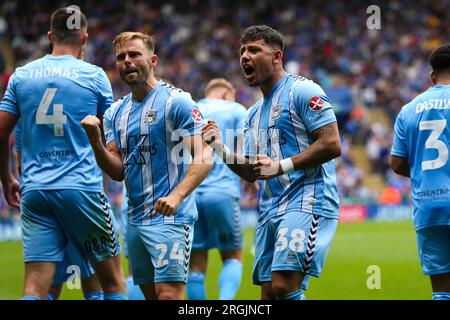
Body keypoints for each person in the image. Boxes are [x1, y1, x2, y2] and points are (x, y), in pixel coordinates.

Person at [202, 25, 341, 300]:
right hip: (269, 208)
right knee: (268, 295)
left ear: (276, 56)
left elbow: (331, 143)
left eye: (254, 50)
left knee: (284, 286)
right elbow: (251, 173)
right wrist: (218, 147)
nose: (245, 56)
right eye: (242, 51)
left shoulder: (302, 90)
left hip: (306, 198)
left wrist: (281, 166)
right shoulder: (252, 114)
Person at [0, 7, 126, 300]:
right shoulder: (95, 76)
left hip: (36, 191)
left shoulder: (21, 75)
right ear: (84, 38)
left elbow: (2, 131)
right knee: (113, 282)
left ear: (49, 36)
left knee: (35, 286)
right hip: (81, 189)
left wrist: (7, 178)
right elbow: (112, 135)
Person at [80, 31, 212, 300]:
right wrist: (95, 142)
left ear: (153, 60)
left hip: (171, 218)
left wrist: (177, 196)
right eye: (121, 57)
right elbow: (118, 171)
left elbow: (204, 158)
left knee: (169, 296)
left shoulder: (177, 102)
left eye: (134, 54)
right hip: (134, 219)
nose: (127, 61)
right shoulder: (115, 113)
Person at [14, 122, 103, 300]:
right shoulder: (80, 97)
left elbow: (19, 161)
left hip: (39, 193)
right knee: (97, 282)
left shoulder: (24, 99)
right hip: (78, 192)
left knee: (42, 285)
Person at [390, 43, 450, 300]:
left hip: (428, 206)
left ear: (432, 75)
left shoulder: (408, 110)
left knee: (441, 291)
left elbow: (397, 163)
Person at [186, 78, 249, 300]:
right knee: (233, 255)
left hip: (190, 194)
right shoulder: (236, 109)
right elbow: (245, 151)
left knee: (195, 263)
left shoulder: (190, 108)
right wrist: (250, 183)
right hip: (222, 191)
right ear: (225, 94)